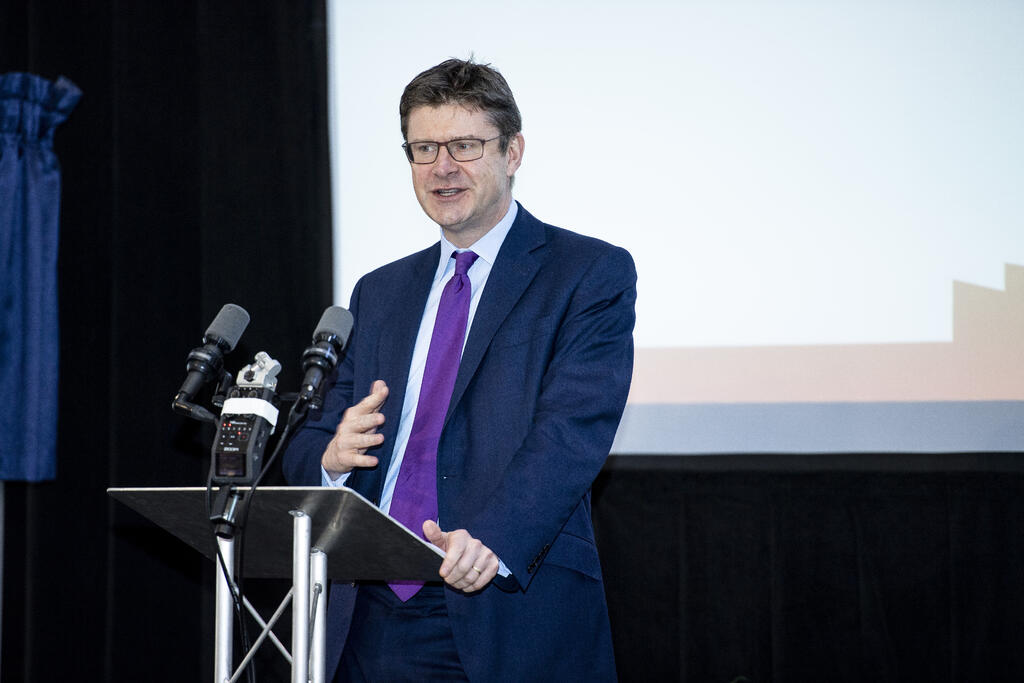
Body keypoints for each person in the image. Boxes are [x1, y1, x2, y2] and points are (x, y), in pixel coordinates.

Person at [283, 57, 636, 682]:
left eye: (465, 146)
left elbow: (572, 430)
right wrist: (333, 457)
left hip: (500, 599)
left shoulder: (586, 273)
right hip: (366, 611)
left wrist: (492, 541)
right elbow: (309, 440)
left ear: (514, 151)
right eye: (424, 148)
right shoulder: (378, 291)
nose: (442, 167)